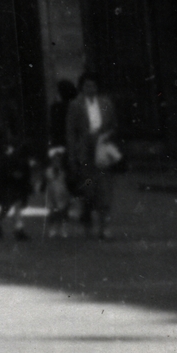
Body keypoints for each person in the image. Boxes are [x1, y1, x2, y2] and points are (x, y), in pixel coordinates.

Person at [66, 71, 121, 239]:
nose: (90, 88)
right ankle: (87, 222)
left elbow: (113, 125)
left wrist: (107, 135)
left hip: (102, 151)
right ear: (81, 87)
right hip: (84, 153)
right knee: (88, 190)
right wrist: (72, 154)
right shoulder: (76, 105)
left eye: (93, 85)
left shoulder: (106, 103)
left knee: (104, 190)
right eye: (87, 85)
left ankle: (105, 226)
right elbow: (70, 131)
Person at [0, 120, 34, 241]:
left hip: (15, 177)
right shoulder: (11, 144)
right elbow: (6, 160)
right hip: (9, 178)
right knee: (10, 204)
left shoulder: (18, 144)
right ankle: (12, 227)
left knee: (12, 203)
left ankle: (9, 226)